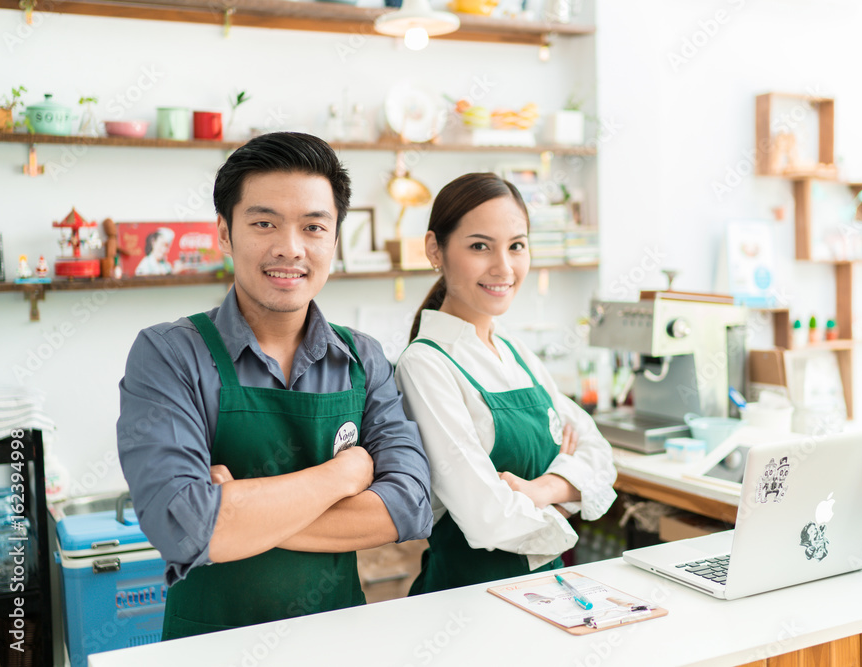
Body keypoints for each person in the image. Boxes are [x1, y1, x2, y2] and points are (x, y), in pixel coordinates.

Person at [117, 132, 432, 640]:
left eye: (313, 227)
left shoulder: (363, 359)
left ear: (333, 240)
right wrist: (343, 476)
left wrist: (236, 513)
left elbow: (409, 507)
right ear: (225, 231)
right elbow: (180, 526)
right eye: (264, 223)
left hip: (337, 640)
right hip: (208, 645)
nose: (290, 248)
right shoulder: (170, 355)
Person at [394, 172, 617, 594]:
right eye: (480, 246)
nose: (503, 267)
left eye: (516, 246)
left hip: (549, 592)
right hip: (466, 601)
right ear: (434, 250)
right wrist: (570, 497)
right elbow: (487, 519)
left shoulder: (516, 352)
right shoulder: (425, 365)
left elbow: (602, 457)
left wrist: (538, 490)